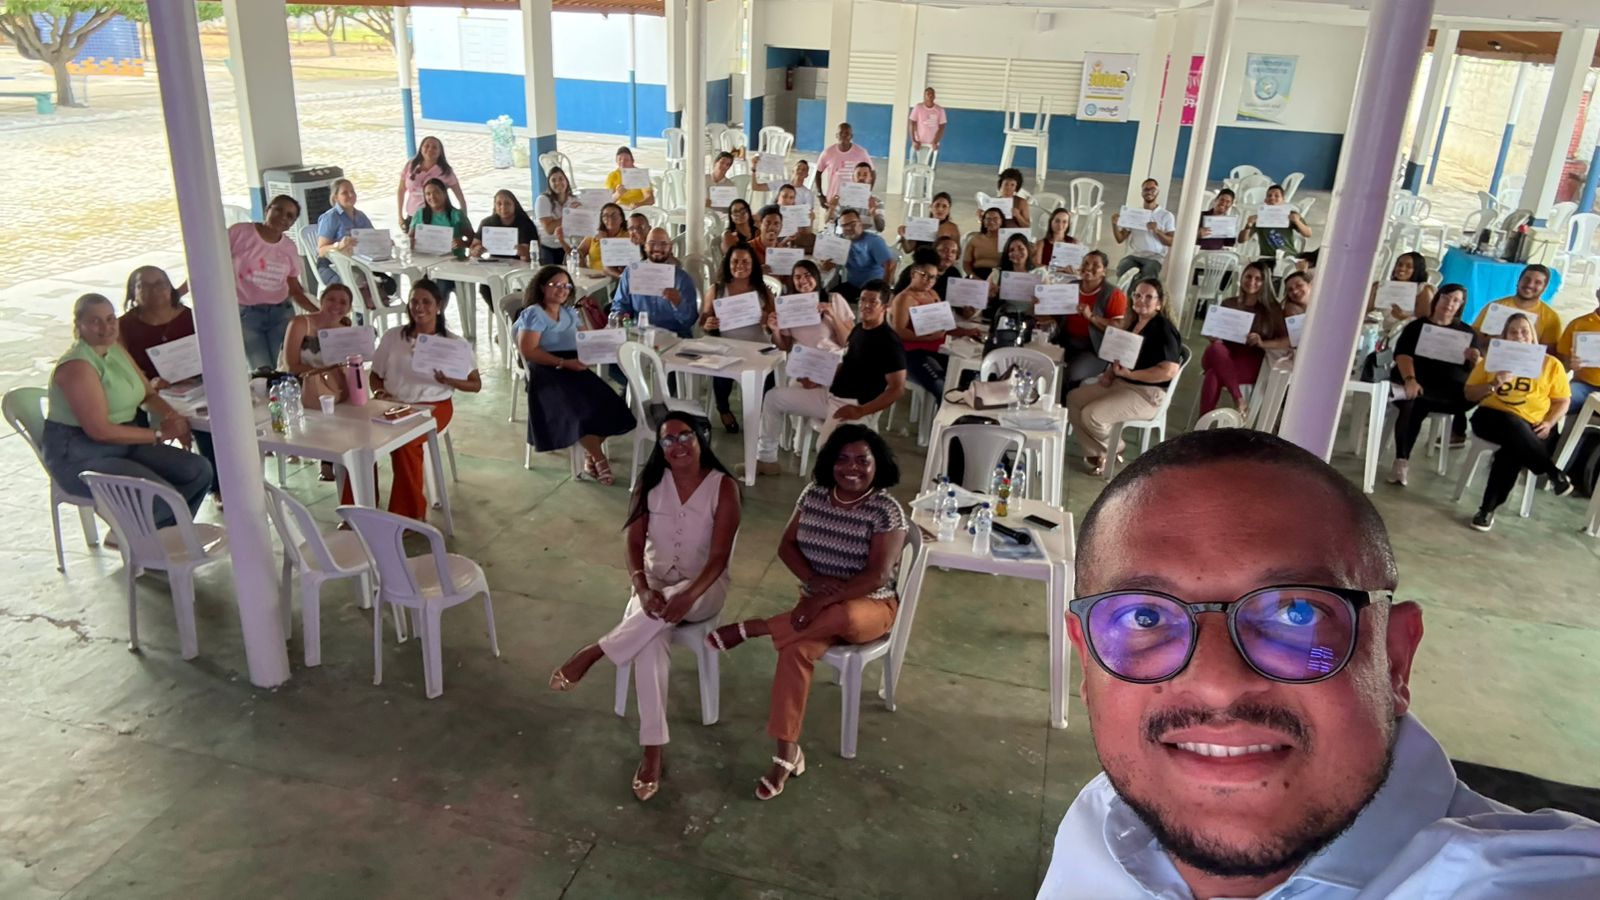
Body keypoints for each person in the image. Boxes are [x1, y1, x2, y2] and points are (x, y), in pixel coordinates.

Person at [1037, 427, 1600, 900]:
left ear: (1395, 659)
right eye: (1143, 619)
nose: (1216, 684)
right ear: (1086, 661)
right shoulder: (1103, 819)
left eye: (1296, 612)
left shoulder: (1529, 879)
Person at [546, 413, 740, 801]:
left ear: (701, 438)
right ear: (661, 449)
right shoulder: (648, 483)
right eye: (668, 440)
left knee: (659, 611)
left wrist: (687, 594)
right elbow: (633, 545)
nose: (678, 445)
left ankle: (595, 651)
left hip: (705, 588)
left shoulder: (724, 488)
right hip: (652, 585)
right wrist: (641, 585)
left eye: (686, 436)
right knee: (650, 641)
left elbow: (719, 558)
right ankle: (653, 750)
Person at [707, 425, 906, 800]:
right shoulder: (813, 495)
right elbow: (787, 546)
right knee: (794, 651)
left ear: (877, 464)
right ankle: (786, 754)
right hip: (815, 608)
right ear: (831, 463)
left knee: (843, 616)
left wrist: (816, 601)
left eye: (862, 460)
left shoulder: (886, 509)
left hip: (871, 607)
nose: (852, 468)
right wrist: (814, 582)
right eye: (843, 459)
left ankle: (758, 627)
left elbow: (877, 574)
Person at [44, 293, 211, 528]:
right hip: (81, 453)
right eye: (95, 321)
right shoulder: (77, 366)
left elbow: (148, 395)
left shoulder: (116, 349)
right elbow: (99, 431)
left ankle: (164, 538)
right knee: (157, 495)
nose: (106, 327)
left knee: (197, 470)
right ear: (78, 325)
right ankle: (150, 544)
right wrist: (159, 435)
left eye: (111, 318)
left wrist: (174, 418)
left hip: (125, 440)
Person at [340, 279, 481, 520]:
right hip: (393, 404)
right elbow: (376, 375)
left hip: (433, 406)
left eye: (426, 302)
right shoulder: (393, 336)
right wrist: (381, 392)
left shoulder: (454, 344)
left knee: (404, 445)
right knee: (358, 439)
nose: (419, 307)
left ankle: (407, 516)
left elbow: (475, 384)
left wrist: (451, 380)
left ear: (439, 306)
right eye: (414, 301)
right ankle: (357, 509)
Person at [754, 280, 906, 475]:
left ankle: (832, 497)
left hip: (853, 403)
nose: (865, 306)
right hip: (830, 394)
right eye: (863, 300)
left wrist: (861, 410)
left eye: (873, 302)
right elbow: (845, 364)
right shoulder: (859, 329)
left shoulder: (889, 342)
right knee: (773, 398)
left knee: (827, 449)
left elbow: (897, 388)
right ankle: (767, 459)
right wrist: (818, 378)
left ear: (885, 306)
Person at [516, 266, 636, 486]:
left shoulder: (570, 312)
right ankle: (599, 459)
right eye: (556, 285)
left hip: (574, 366)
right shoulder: (534, 313)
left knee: (612, 406)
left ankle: (590, 454)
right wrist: (563, 363)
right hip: (546, 370)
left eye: (566, 286)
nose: (562, 290)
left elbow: (585, 338)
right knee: (579, 412)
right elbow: (529, 350)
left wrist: (608, 340)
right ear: (542, 286)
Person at [1464, 312, 1573, 531]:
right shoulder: (1492, 361)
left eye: (1524, 331)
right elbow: (1469, 394)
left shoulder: (1550, 364)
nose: (1519, 336)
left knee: (1512, 451)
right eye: (1513, 332)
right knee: (1512, 424)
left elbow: (1562, 400)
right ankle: (1552, 472)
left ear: (1533, 335)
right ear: (1505, 337)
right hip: (1490, 417)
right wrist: (1494, 384)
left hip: (1530, 426)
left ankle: (1486, 510)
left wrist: (1550, 423)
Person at [1065, 278, 1183, 475]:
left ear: (1159, 303)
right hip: (1123, 384)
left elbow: (1169, 370)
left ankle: (1116, 448)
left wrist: (1132, 374)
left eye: (1148, 297)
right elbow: (1120, 356)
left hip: (1148, 394)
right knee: (1074, 399)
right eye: (1137, 295)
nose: (1141, 300)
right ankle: (1098, 454)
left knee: (1092, 415)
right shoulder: (1133, 322)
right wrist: (1111, 373)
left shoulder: (1163, 328)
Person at [1388, 284, 1479, 486]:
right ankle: (1401, 460)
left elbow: (1477, 369)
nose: (1450, 304)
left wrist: (1475, 360)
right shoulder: (1416, 326)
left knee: (1466, 398)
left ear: (1461, 305)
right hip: (1415, 382)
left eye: (1456, 300)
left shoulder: (1467, 332)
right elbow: (1403, 355)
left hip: (1449, 391)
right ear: (1438, 298)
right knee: (1412, 404)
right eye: (1446, 298)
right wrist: (1410, 380)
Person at [228, 193, 317, 371]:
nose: (283, 217)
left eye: (290, 216)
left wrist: (320, 314)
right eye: (279, 210)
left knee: (284, 368)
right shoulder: (239, 232)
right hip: (247, 315)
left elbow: (295, 290)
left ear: (292, 223)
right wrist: (183, 290)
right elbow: (211, 261)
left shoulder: (289, 248)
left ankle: (285, 400)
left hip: (281, 314)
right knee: (262, 371)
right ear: (267, 209)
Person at [701, 243, 776, 433]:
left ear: (753, 265)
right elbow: (703, 319)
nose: (740, 266)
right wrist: (708, 323)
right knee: (721, 370)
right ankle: (723, 408)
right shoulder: (717, 289)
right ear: (728, 263)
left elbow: (776, 321)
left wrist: (768, 320)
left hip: (758, 345)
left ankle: (761, 412)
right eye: (735, 261)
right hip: (727, 343)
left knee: (768, 374)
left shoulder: (763, 291)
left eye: (745, 262)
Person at [1197, 260, 1286, 418]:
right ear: (1242, 277)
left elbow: (1282, 339)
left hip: (1252, 358)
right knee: (1215, 347)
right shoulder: (1228, 303)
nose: (1252, 282)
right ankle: (1239, 399)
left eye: (1258, 279)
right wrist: (1213, 336)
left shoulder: (1272, 309)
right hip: (1224, 353)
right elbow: (1216, 334)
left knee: (1213, 374)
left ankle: (1201, 426)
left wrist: (1261, 341)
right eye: (1248, 276)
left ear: (1265, 282)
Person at [890, 250, 981, 399]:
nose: (928, 281)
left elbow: (945, 325)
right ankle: (944, 420)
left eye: (933, 277)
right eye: (924, 275)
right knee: (942, 385)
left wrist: (965, 332)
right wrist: (927, 338)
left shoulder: (933, 294)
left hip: (939, 349)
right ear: (913, 273)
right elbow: (898, 331)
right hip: (912, 353)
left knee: (969, 376)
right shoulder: (904, 299)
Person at [1049, 250, 1128, 387]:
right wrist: (1041, 305)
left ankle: (1064, 405)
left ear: (1104, 271)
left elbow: (1118, 328)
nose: (1089, 267)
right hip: (1065, 341)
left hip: (1094, 349)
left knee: (1070, 374)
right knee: (1042, 364)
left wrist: (1091, 317)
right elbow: (1055, 316)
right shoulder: (1071, 286)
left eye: (1096, 265)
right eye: (1085, 263)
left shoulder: (1114, 294)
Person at [612, 227, 700, 339]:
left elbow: (690, 321)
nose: (657, 248)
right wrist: (621, 315)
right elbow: (620, 305)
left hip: (675, 338)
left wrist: (678, 303)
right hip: (640, 335)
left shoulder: (682, 279)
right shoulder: (631, 273)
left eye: (663, 244)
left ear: (670, 247)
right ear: (645, 246)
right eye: (652, 243)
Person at [767, 260, 854, 353]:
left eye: (808, 275)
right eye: (797, 277)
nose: (803, 280)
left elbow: (848, 343)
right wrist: (775, 331)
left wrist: (833, 315)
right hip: (802, 361)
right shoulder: (788, 307)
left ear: (816, 277)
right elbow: (784, 348)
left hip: (830, 359)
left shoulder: (834, 299)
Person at [1470, 264, 1561, 350]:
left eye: (1537, 282)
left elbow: (1548, 353)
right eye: (1526, 279)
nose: (1530, 285)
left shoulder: (1551, 318)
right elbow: (1474, 339)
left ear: (1544, 288)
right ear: (1518, 281)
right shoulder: (1494, 306)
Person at [1111, 178, 1177, 282]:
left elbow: (1171, 242)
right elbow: (1120, 239)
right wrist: (1114, 224)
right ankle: (1127, 296)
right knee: (1122, 270)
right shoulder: (1134, 213)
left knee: (1149, 275)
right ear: (1142, 192)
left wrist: (1157, 231)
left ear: (1158, 192)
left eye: (1153, 189)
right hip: (1134, 255)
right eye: (1146, 189)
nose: (1149, 192)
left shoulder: (1166, 216)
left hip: (1155, 257)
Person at [282, 283, 356, 374]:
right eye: (331, 299)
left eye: (343, 302)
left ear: (349, 308)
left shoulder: (346, 331)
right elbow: (291, 367)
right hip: (298, 381)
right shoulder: (300, 323)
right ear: (321, 301)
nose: (336, 305)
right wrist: (327, 372)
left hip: (331, 383)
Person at [828, 209, 895, 305]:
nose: (848, 228)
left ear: (860, 223)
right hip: (853, 286)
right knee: (828, 297)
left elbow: (890, 265)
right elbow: (829, 265)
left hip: (872, 288)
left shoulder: (873, 241)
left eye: (852, 224)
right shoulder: (841, 242)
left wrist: (884, 292)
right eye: (844, 225)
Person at [396, 135, 467, 224]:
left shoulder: (446, 170)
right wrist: (400, 216)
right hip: (413, 214)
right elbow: (401, 190)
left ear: (440, 152)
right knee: (412, 237)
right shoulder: (411, 165)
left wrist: (464, 217)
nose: (430, 149)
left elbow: (459, 195)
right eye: (426, 146)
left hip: (438, 218)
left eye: (434, 147)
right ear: (421, 148)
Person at [1239, 183, 1313, 263]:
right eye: (1269, 196)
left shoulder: (1291, 215)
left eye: (1277, 196)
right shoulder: (1259, 218)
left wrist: (1297, 221)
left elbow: (1308, 234)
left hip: (1289, 256)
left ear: (1283, 199)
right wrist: (1249, 225)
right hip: (1267, 258)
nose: (1272, 198)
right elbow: (1241, 240)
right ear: (1265, 200)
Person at [1556, 287, 1600, 412]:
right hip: (1583, 385)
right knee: (1556, 400)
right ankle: (1551, 431)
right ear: (1597, 293)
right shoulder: (1578, 324)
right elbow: (1561, 367)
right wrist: (1570, 364)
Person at [470, 189, 537, 263]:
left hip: (518, 264)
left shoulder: (526, 224)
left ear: (515, 205)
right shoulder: (486, 223)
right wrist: (476, 250)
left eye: (507, 203)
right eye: (499, 204)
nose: (503, 207)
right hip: (493, 263)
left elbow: (532, 257)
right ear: (495, 206)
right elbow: (472, 249)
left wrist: (524, 253)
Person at [1367, 251, 1434, 322]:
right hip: (1384, 330)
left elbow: (1425, 323)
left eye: (1409, 266)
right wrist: (1373, 292)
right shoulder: (1385, 286)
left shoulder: (1423, 289)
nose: (1402, 268)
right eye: (1399, 264)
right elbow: (1365, 310)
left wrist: (1403, 318)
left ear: (1416, 270)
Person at [814, 123, 871, 202]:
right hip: (833, 200)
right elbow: (818, 173)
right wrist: (820, 194)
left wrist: (867, 192)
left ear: (851, 136)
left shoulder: (861, 152)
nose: (844, 135)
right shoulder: (827, 153)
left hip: (855, 200)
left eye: (847, 133)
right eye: (841, 133)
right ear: (837, 135)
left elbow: (872, 173)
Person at [533, 167, 577, 265]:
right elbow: (549, 229)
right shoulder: (543, 200)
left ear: (566, 181)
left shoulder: (573, 200)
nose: (558, 183)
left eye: (561, 179)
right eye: (553, 180)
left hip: (566, 245)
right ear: (549, 184)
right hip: (546, 245)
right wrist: (569, 214)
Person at [986, 232, 1036, 318]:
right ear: (1007, 255)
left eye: (1021, 248)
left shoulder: (1039, 273)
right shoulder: (997, 273)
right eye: (1012, 250)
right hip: (1006, 318)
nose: (1016, 252)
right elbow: (983, 298)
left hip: (1032, 318)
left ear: (1027, 250)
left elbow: (1047, 303)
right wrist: (992, 295)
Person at [897, 191, 961, 254]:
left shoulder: (952, 229)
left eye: (944, 206)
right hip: (921, 262)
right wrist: (903, 235)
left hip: (941, 263)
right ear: (931, 207)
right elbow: (908, 249)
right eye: (937, 205)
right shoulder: (920, 224)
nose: (940, 209)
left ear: (948, 210)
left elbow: (958, 254)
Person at [578, 202, 630, 277]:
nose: (610, 219)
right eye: (605, 216)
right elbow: (578, 253)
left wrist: (605, 242)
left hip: (615, 277)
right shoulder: (594, 234)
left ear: (622, 218)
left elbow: (622, 260)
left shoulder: (628, 235)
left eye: (614, 215)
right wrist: (584, 268)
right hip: (593, 276)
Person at [963, 207, 1005, 281]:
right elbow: (966, 264)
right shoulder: (975, 239)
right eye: (988, 219)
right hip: (976, 275)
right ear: (984, 222)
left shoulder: (1008, 240)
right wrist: (974, 277)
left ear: (1001, 221)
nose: (991, 221)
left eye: (995, 218)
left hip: (999, 277)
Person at [908, 87, 946, 158]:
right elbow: (912, 123)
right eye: (928, 94)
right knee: (913, 166)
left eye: (932, 94)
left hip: (932, 145)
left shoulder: (940, 110)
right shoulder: (918, 107)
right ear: (924, 96)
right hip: (918, 143)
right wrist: (913, 140)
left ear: (934, 96)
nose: (930, 96)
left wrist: (935, 141)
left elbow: (942, 127)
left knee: (930, 168)